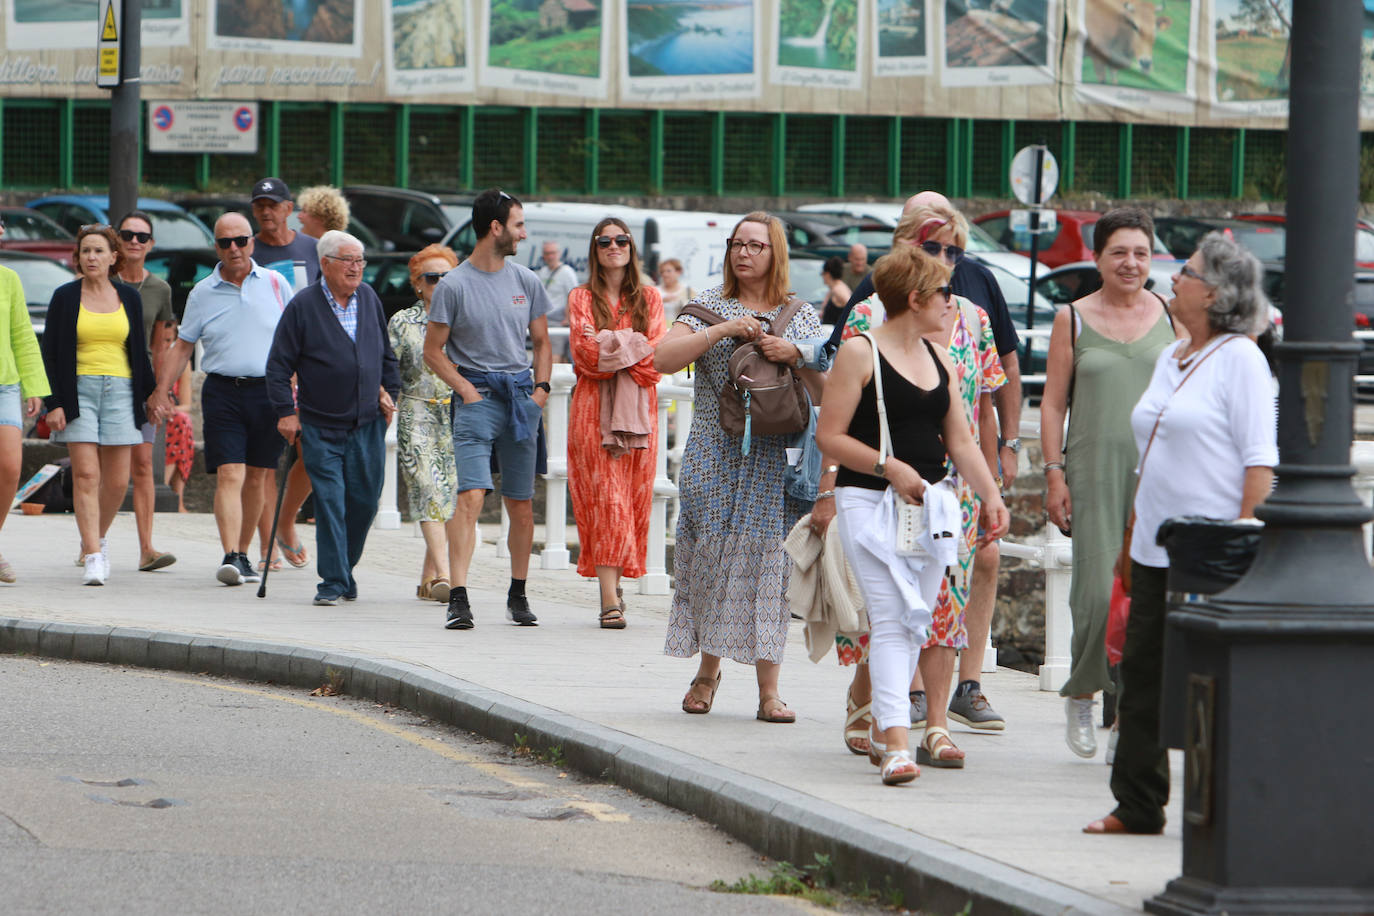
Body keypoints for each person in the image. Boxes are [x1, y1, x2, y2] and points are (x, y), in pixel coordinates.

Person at [1084, 231, 1276, 834]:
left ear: (1216, 292)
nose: (1173, 279)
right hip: (1152, 547)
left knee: (1212, 682)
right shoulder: (1173, 354)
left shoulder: (1242, 358)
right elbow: (1151, 455)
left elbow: (1259, 462)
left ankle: (1223, 807)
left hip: (1213, 553)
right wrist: (1128, 538)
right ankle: (1138, 803)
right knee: (1139, 677)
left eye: (1186, 272)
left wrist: (1245, 540)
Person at [826, 191, 1024, 733]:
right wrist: (831, 490)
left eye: (955, 252)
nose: (947, 262)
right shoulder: (868, 315)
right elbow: (837, 420)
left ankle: (934, 723)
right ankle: (885, 711)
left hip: (944, 489)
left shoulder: (972, 318)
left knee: (941, 603)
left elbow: (974, 412)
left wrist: (993, 483)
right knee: (889, 611)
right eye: (934, 249)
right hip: (877, 488)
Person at [654, 211, 824, 722]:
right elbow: (663, 357)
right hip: (712, 454)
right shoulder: (707, 305)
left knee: (771, 571)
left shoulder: (800, 315)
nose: (744, 253)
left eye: (756, 246)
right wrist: (724, 329)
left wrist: (795, 354)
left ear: (776, 254)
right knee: (709, 563)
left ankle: (769, 691)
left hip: (775, 462)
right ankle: (707, 673)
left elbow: (828, 390)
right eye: (737, 244)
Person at [1040, 207, 1177, 759]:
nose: (1131, 263)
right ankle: (1082, 692)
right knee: (1095, 594)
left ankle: (1128, 718)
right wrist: (1054, 474)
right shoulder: (1071, 318)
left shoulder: (1171, 314)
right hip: (1093, 471)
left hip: (1159, 478)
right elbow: (1051, 405)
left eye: (1141, 253)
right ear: (1097, 257)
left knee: (1144, 600)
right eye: (1119, 251)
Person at [424, 189, 553, 630]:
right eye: (518, 224)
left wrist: (542, 389)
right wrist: (466, 390)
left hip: (521, 397)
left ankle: (518, 593)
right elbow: (433, 350)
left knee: (521, 503)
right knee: (470, 495)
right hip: (477, 396)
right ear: (495, 227)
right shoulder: (454, 285)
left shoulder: (527, 280)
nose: (523, 233)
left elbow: (541, 343)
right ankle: (458, 597)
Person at [147, 213, 292, 587]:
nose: (234, 249)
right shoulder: (202, 291)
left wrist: (297, 390)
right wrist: (162, 389)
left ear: (252, 243)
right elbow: (183, 345)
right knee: (230, 472)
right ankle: (231, 554)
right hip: (223, 390)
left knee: (259, 476)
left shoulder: (276, 283)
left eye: (241, 241)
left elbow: (296, 341)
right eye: (225, 242)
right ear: (216, 247)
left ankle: (244, 553)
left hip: (269, 391)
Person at [267, 230, 400, 606]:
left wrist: (391, 392)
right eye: (348, 260)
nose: (357, 268)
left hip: (368, 422)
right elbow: (278, 366)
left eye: (360, 260)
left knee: (365, 502)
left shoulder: (370, 299)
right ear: (325, 264)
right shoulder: (304, 306)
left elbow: (385, 356)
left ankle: (344, 569)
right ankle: (331, 581)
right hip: (320, 423)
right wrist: (285, 413)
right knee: (329, 500)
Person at [41, 224, 156, 586]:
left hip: (122, 391)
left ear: (113, 257)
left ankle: (97, 536)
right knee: (87, 475)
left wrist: (153, 395)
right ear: (78, 257)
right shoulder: (64, 297)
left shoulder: (129, 299)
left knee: (118, 481)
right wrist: (54, 403)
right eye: (85, 251)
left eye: (98, 251)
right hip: (79, 392)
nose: (91, 257)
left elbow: (139, 352)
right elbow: (50, 355)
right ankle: (93, 554)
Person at [567, 219, 666, 629]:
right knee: (606, 499)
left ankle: (615, 585)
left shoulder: (650, 297)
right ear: (595, 249)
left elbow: (655, 359)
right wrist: (631, 341)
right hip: (592, 414)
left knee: (633, 500)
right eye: (604, 240)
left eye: (621, 240)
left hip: (639, 414)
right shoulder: (580, 297)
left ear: (631, 247)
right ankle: (608, 599)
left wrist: (608, 339)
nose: (613, 246)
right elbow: (584, 356)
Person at [389, 244, 460, 605]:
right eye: (432, 278)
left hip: (457, 413)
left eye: (448, 277)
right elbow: (390, 367)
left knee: (452, 494)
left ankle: (427, 579)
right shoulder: (402, 322)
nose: (440, 284)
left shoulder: (465, 318)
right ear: (418, 284)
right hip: (416, 412)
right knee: (429, 492)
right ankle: (446, 576)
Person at [115, 210, 177, 572]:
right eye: (128, 235)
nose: (135, 241)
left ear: (151, 244)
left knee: (142, 465)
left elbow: (163, 345)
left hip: (141, 387)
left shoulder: (160, 289)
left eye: (142, 236)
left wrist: (159, 392)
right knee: (103, 470)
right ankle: (92, 541)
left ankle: (146, 548)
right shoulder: (99, 280)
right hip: (101, 383)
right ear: (117, 240)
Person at [0, 212, 51, 582]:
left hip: (6, 385)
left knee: (9, 466)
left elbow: (22, 335)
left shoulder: (9, 280)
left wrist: (34, 385)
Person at [251, 177, 320, 289]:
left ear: (289, 208)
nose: (265, 212)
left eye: (273, 206)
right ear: (253, 210)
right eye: (260, 206)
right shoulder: (247, 252)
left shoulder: (313, 248)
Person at [536, 241, 578, 362]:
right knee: (546, 352)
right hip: (544, 319)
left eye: (553, 253)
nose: (550, 256)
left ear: (559, 254)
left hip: (559, 321)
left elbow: (573, 296)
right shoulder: (543, 271)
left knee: (555, 355)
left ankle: (552, 380)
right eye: (547, 253)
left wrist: (568, 317)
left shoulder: (567, 272)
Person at [820, 256, 851, 325]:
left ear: (827, 274)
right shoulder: (834, 289)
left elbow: (851, 308)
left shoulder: (838, 290)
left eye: (822, 273)